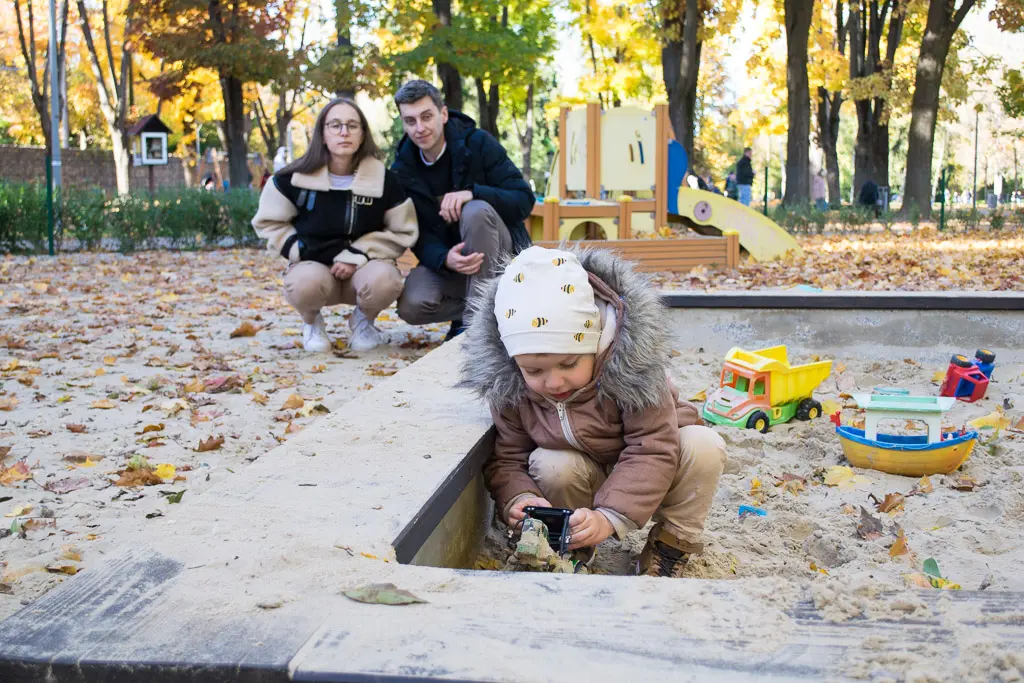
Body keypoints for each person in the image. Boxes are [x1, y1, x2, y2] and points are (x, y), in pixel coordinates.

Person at [460, 246, 727, 577]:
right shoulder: (513, 387)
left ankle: (670, 545)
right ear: (514, 361)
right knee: (551, 463)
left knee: (704, 446)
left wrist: (609, 517)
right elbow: (507, 458)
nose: (553, 381)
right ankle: (572, 544)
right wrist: (519, 497)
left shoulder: (634, 371)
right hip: (583, 472)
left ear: (598, 340)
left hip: (655, 467)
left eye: (569, 363)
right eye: (534, 370)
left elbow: (653, 448)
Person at [252, 98, 418, 353]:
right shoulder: (292, 179)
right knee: (303, 284)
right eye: (335, 125)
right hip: (315, 267)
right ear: (322, 133)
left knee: (387, 279)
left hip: (364, 271)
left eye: (352, 125)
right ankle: (312, 323)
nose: (344, 132)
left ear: (362, 134)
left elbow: (403, 230)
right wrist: (302, 250)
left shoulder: (385, 181)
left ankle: (363, 322)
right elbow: (269, 222)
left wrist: (357, 255)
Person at [391, 79, 534, 341]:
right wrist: (444, 258)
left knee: (475, 210)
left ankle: (477, 330)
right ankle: (486, 310)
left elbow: (524, 199)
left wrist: (474, 192)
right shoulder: (403, 170)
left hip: (500, 257)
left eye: (426, 117)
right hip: (453, 266)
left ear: (443, 114)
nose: (420, 128)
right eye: (410, 121)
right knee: (412, 304)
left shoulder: (477, 143)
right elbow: (414, 231)